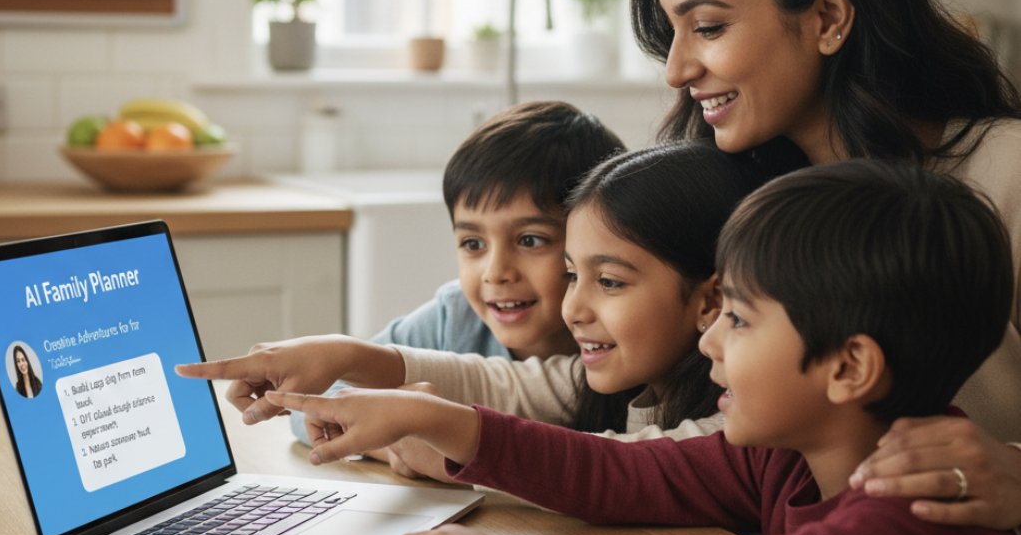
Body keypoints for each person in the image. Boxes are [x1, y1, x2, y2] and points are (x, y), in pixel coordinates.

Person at [268, 162, 1021, 535]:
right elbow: (620, 477)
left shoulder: (916, 507)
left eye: (741, 319)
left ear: (849, 367)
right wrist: (431, 418)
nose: (712, 342)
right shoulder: (782, 454)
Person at [629, 0, 1021, 531]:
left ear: (829, 16)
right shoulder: (740, 195)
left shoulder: (1008, 175)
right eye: (673, 33)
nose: (677, 68)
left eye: (709, 26)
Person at [180, 142, 772, 481]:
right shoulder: (617, 375)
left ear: (709, 302)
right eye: (572, 275)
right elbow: (500, 383)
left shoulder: (743, 423)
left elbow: (616, 473)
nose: (574, 309)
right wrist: (347, 354)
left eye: (609, 281)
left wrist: (443, 438)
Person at [287, 100, 624, 454]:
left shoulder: (627, 337)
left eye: (530, 240)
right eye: (473, 243)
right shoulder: (454, 319)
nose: (495, 272)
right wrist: (397, 445)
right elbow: (312, 406)